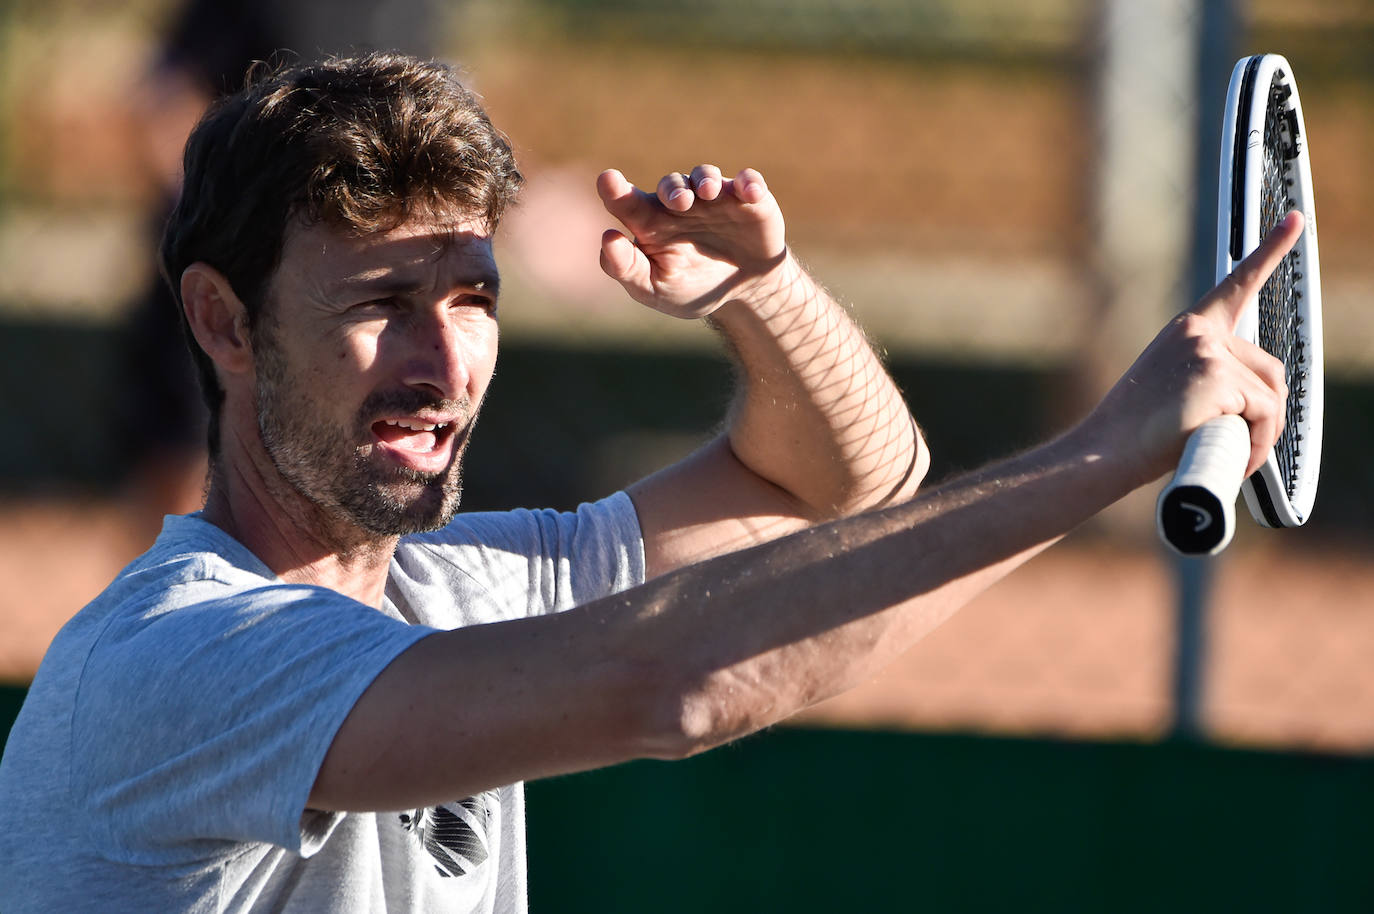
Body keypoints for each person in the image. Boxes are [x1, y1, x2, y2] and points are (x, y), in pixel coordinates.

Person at [0, 52, 1293, 912]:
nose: (441, 357)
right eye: (380, 303)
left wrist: (763, 294)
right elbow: (674, 683)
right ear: (224, 324)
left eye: (470, 298)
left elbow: (848, 490)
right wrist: (1097, 455)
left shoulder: (460, 588)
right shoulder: (171, 666)